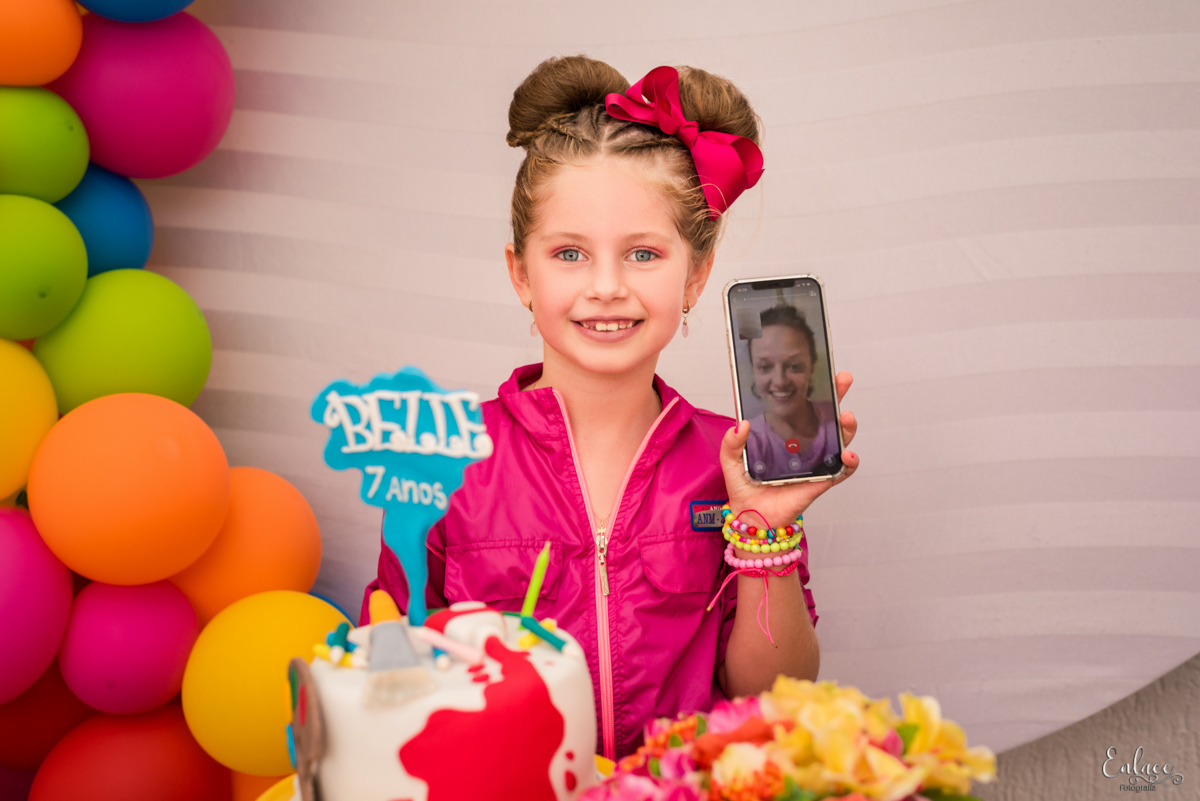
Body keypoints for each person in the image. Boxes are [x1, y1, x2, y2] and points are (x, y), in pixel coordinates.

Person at [364, 56, 860, 761]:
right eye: (569, 253)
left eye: (643, 254)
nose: (605, 286)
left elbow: (772, 693)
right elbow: (387, 688)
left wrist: (764, 534)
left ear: (695, 274)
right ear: (520, 273)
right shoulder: (440, 459)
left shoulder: (740, 458)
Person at [744, 304, 841, 480]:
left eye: (794, 366)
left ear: (812, 366)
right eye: (765, 367)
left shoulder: (836, 420)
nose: (780, 381)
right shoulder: (749, 442)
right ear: (754, 372)